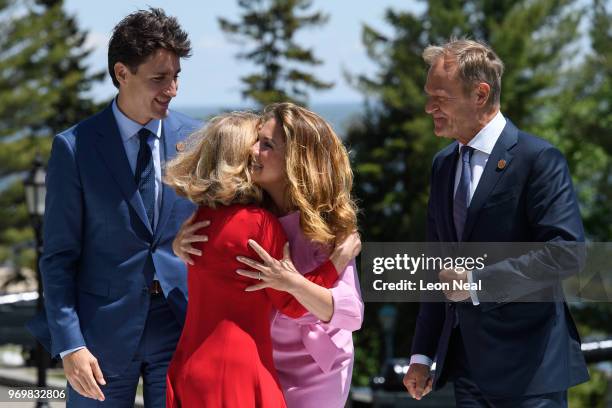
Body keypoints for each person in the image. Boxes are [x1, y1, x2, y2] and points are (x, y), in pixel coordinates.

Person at [26, 8, 199, 407]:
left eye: (176, 77)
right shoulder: (74, 148)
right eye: (159, 78)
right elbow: (58, 257)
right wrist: (70, 346)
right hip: (99, 338)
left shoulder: (197, 139)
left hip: (181, 328)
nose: (171, 89)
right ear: (122, 73)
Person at [403, 38, 589, 407]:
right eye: (429, 96)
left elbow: (566, 254)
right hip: (466, 370)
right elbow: (436, 265)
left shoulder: (539, 160)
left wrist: (476, 283)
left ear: (480, 94)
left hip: (530, 371)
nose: (429, 108)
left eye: (440, 97)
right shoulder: (443, 165)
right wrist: (422, 355)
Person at [173, 102, 364, 407]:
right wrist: (177, 244)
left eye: (267, 145)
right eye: (256, 140)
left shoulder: (328, 227)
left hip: (317, 367)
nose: (252, 151)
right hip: (261, 360)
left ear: (294, 160)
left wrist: (307, 276)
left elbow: (351, 315)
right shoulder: (253, 215)